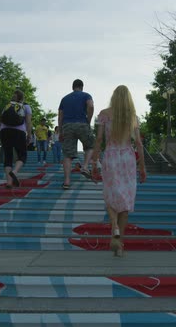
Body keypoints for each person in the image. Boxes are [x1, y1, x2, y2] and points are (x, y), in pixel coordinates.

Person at [92, 85, 147, 257]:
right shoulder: (133, 117)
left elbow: (99, 138)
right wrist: (143, 167)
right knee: (125, 200)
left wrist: (94, 161)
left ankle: (114, 225)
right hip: (128, 158)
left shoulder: (104, 114)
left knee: (110, 194)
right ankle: (119, 243)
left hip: (111, 156)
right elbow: (138, 143)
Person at [58, 79, 95, 189]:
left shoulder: (64, 99)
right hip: (82, 124)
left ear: (72, 87)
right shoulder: (86, 95)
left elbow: (60, 116)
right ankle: (84, 166)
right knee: (90, 146)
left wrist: (60, 131)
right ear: (82, 87)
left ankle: (67, 181)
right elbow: (91, 106)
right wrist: (88, 120)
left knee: (67, 155)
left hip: (67, 126)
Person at [0, 90, 32, 188]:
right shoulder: (26, 107)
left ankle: (9, 183)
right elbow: (28, 122)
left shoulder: (8, 105)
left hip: (4, 131)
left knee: (8, 157)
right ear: (23, 98)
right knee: (22, 155)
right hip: (19, 132)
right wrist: (29, 135)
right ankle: (14, 171)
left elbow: (1, 119)